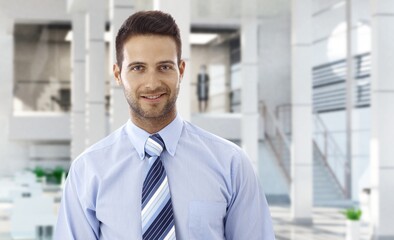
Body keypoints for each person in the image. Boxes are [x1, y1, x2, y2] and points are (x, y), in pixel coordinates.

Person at [54, 10, 275, 239]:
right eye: (138, 68)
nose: (152, 83)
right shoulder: (88, 171)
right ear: (118, 74)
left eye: (164, 67)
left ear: (180, 70)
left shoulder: (231, 164)